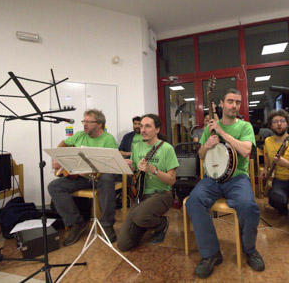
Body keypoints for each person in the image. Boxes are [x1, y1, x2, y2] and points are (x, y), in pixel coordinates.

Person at [185, 89, 264, 279]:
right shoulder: (209, 128)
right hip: (212, 179)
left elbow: (246, 151)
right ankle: (211, 254)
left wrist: (222, 132)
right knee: (193, 201)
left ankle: (249, 249)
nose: (234, 106)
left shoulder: (245, 126)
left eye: (238, 102)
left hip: (237, 178)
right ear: (221, 103)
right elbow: (201, 155)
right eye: (230, 101)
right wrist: (207, 145)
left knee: (247, 206)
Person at [48, 109, 118, 246]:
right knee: (54, 186)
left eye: (88, 122)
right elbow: (63, 144)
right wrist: (57, 158)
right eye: (83, 121)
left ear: (99, 124)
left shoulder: (108, 139)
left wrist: (89, 171)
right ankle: (76, 223)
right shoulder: (79, 135)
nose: (84, 124)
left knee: (108, 179)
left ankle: (107, 224)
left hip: (101, 177)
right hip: (82, 178)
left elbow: (109, 166)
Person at [118, 114, 179, 251]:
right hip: (141, 196)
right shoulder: (137, 147)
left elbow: (172, 180)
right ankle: (145, 222)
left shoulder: (167, 148)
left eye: (147, 126)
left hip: (162, 194)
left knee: (139, 215)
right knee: (124, 245)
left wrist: (153, 169)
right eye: (141, 126)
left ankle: (161, 224)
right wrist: (129, 166)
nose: (142, 130)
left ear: (157, 129)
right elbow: (135, 170)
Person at [260, 109, 289, 228]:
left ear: (287, 123)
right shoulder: (268, 141)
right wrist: (265, 169)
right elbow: (269, 157)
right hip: (279, 180)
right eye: (275, 121)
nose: (279, 124)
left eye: (282, 121)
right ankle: (283, 208)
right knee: (274, 200)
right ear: (271, 125)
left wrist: (285, 163)